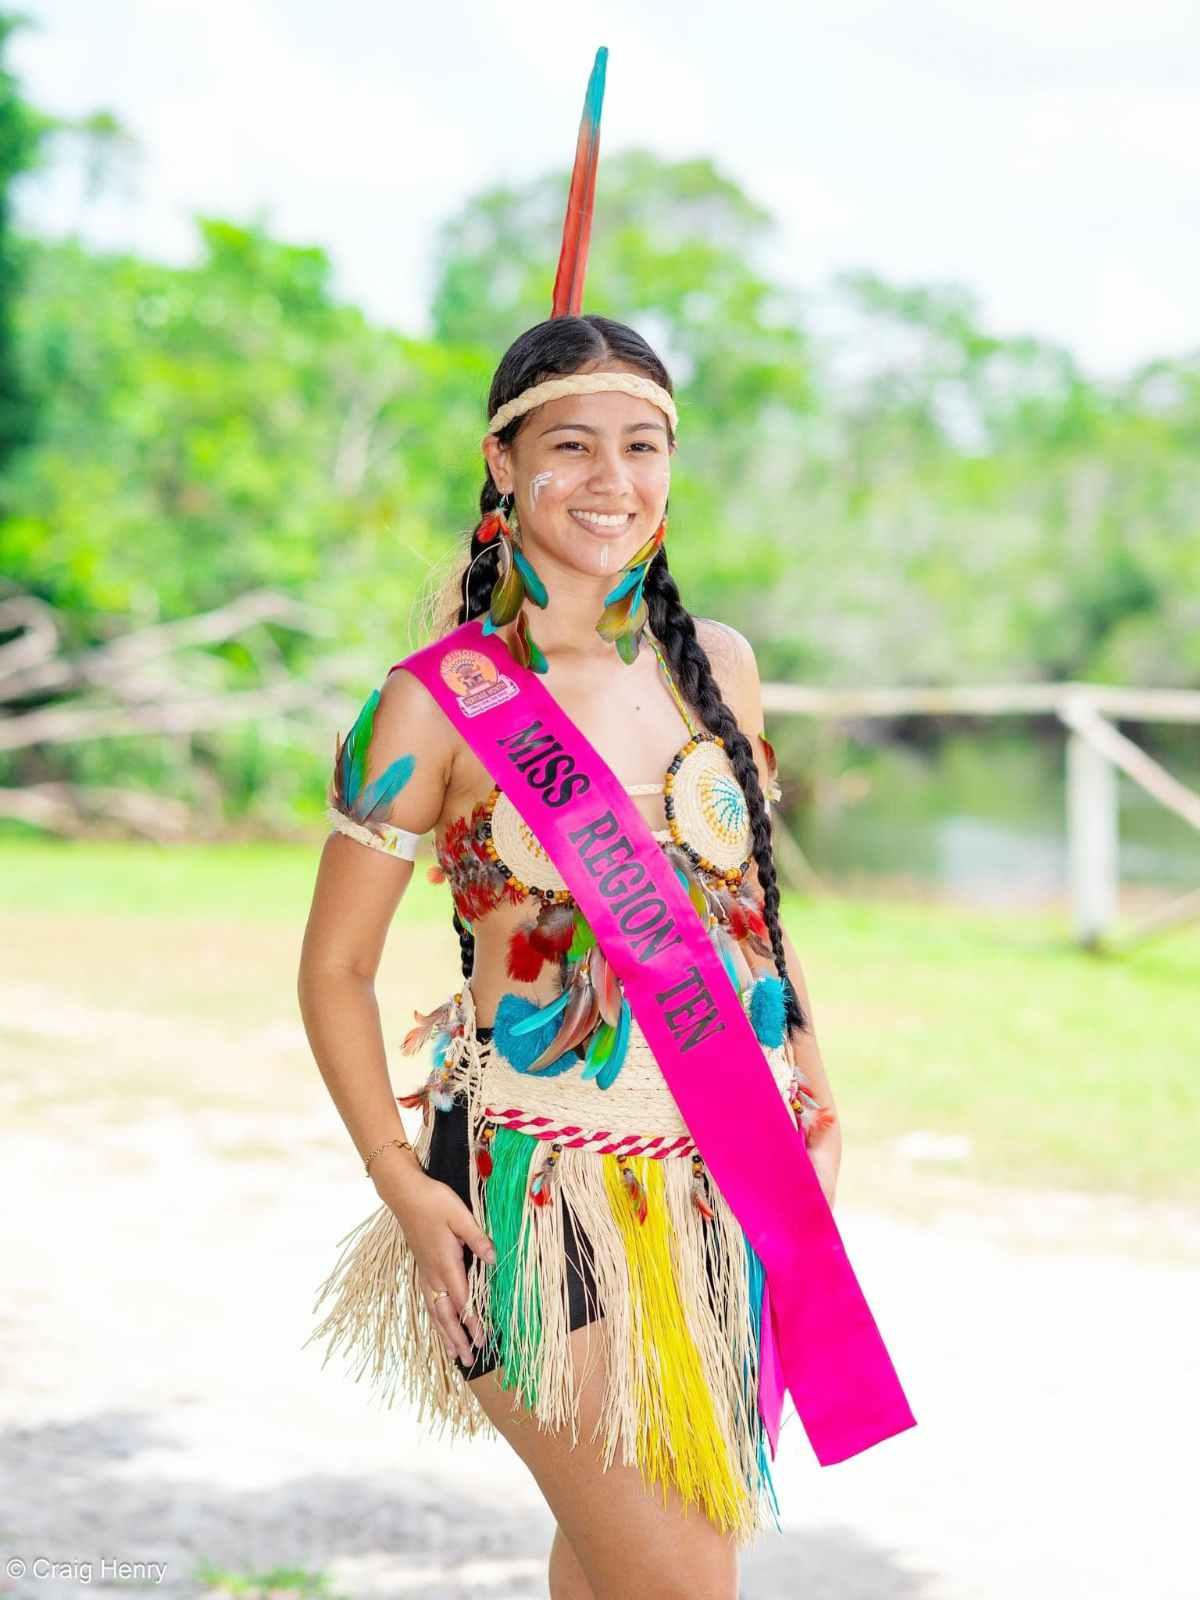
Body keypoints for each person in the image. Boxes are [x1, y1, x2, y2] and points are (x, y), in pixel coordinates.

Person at [297, 46, 912, 1600]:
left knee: (615, 1571)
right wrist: (400, 1180)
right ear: (502, 465)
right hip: (539, 1195)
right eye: (568, 442)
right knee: (681, 1583)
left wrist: (818, 1090)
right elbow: (333, 972)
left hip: (730, 1182)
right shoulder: (434, 703)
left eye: (641, 444)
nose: (610, 477)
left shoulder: (726, 672)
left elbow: (747, 913)